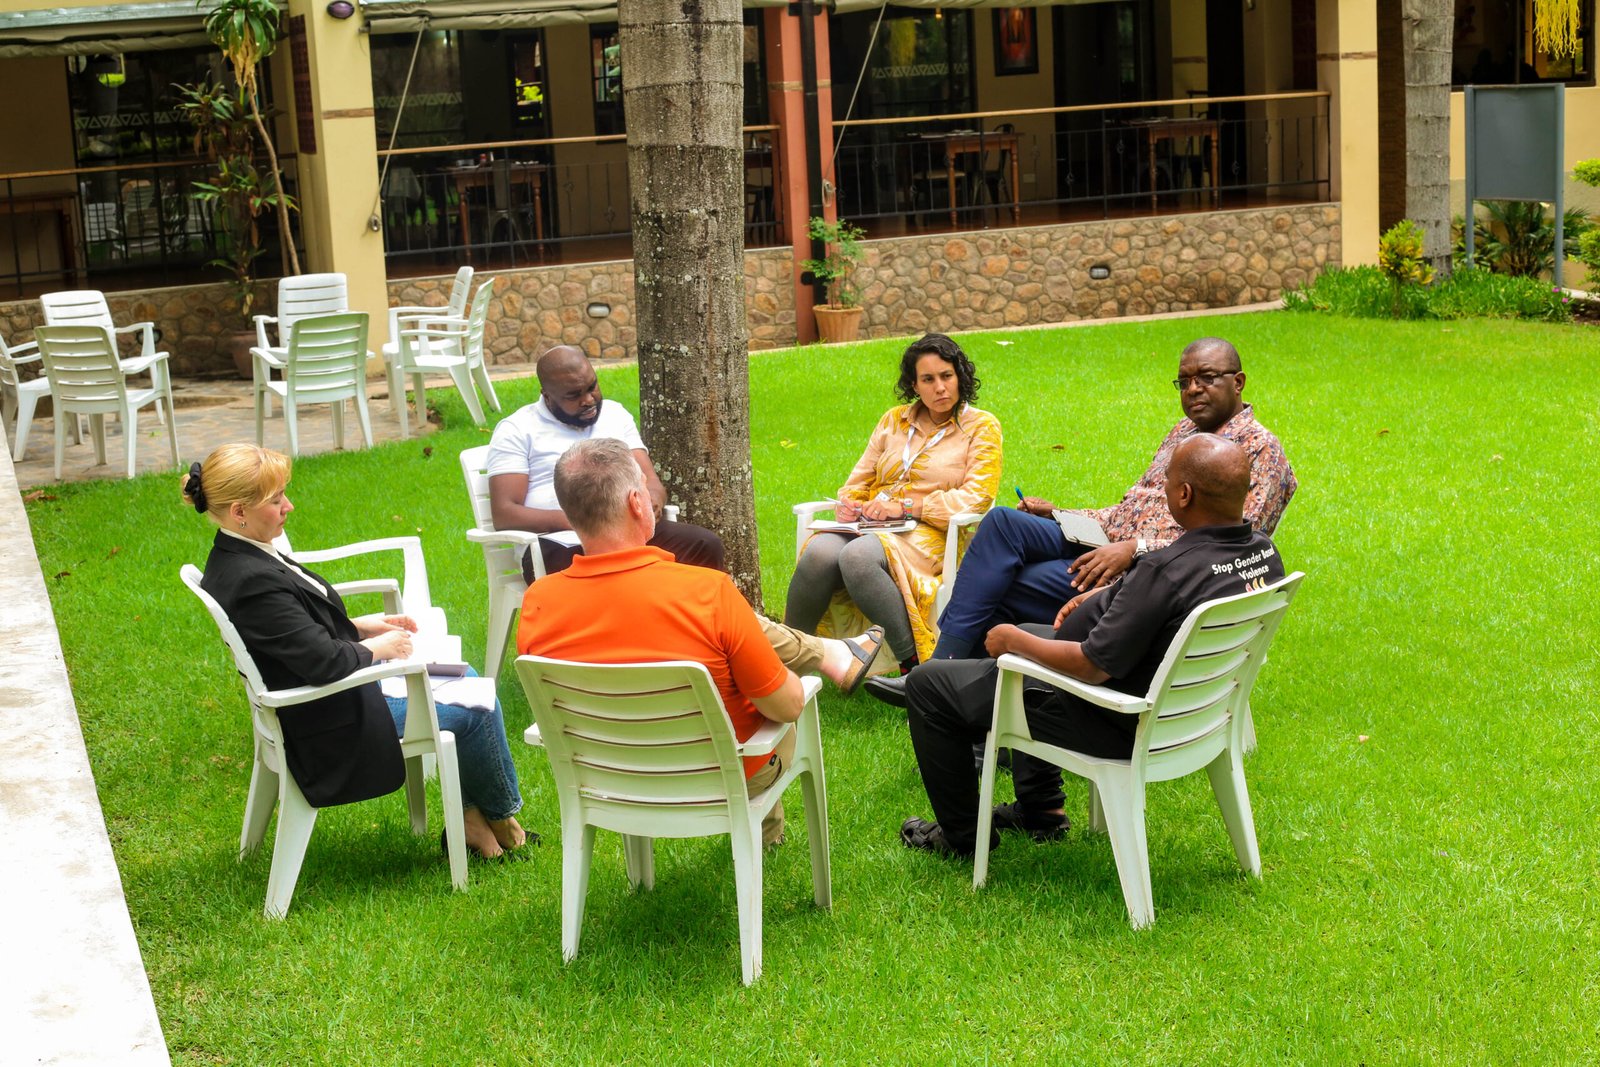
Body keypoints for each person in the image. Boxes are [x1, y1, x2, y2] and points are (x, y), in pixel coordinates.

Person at [898, 434, 1287, 859]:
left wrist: (1012, 641)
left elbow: (1090, 666)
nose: (1163, 488)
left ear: (1184, 494)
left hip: (1110, 716)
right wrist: (1106, 596)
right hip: (1189, 714)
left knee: (929, 685)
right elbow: (1161, 605)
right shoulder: (1262, 553)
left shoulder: (1166, 572)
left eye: (1167, 482)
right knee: (1031, 629)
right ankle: (1041, 810)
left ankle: (963, 838)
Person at [866, 336, 1294, 706]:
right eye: (1184, 381)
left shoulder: (1259, 450)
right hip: (1103, 541)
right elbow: (1129, 509)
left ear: (1238, 382)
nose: (1193, 389)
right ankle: (946, 672)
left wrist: (1135, 550)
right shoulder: (1184, 432)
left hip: (1140, 575)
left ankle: (949, 685)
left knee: (1002, 582)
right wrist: (1063, 515)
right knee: (1002, 524)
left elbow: (1231, 544)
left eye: (1207, 377)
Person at [186, 443, 532, 860]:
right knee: (477, 709)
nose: (288, 506)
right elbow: (322, 662)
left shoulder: (240, 553)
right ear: (239, 511)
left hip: (328, 700)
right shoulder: (251, 580)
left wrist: (359, 627)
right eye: (276, 500)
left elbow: (291, 636)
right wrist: (377, 647)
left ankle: (473, 823)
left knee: (465, 676)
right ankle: (505, 825)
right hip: (331, 721)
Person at [517, 438, 857, 845]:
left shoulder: (537, 602)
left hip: (606, 780)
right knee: (771, 695)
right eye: (644, 488)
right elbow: (786, 706)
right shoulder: (707, 592)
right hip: (721, 780)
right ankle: (769, 835)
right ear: (637, 503)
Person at [784, 333, 1003, 677]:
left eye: (946, 376)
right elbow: (858, 480)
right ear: (914, 385)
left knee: (857, 557)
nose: (940, 387)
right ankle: (787, 658)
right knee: (819, 553)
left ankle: (913, 666)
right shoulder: (893, 420)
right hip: (873, 523)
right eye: (927, 379)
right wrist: (852, 505)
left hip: (934, 533)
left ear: (960, 376)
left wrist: (907, 508)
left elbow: (977, 497)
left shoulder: (982, 426)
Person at [486, 345, 726, 583]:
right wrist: (581, 521)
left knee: (704, 545)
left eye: (592, 387)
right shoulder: (517, 430)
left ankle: (691, 610)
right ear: (547, 396)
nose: (588, 400)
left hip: (631, 534)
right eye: (574, 395)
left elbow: (651, 481)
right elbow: (504, 513)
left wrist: (652, 500)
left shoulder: (615, 415)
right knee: (618, 571)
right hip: (560, 544)